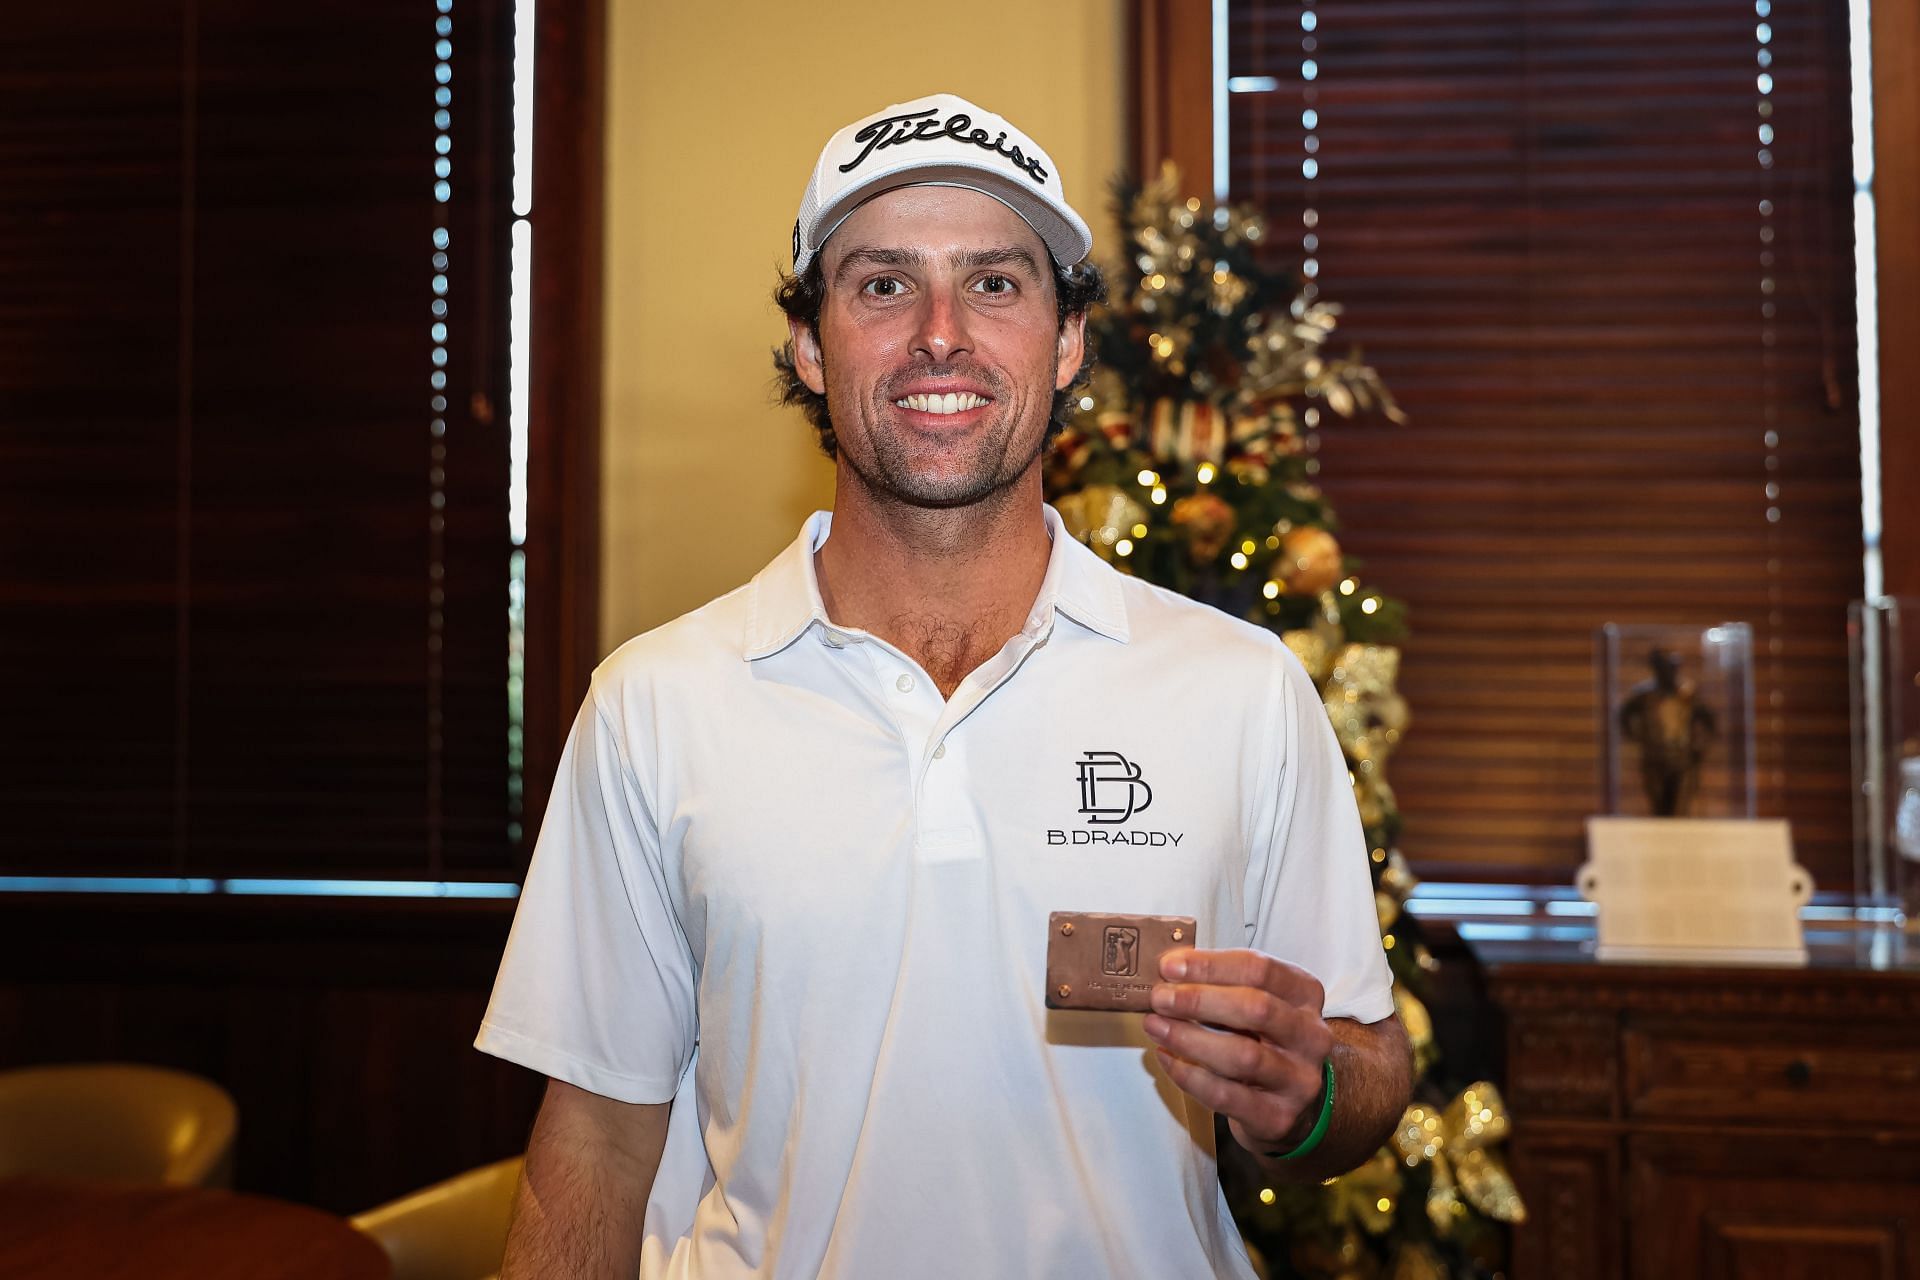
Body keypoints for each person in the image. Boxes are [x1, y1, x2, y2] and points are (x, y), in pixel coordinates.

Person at [477, 92, 1412, 1280]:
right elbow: (598, 1142)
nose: (939, 333)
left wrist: (1309, 1094)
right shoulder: (654, 703)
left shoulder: (1242, 689)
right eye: (880, 283)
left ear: (1066, 342)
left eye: (996, 283)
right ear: (812, 345)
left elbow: (1368, 1064)